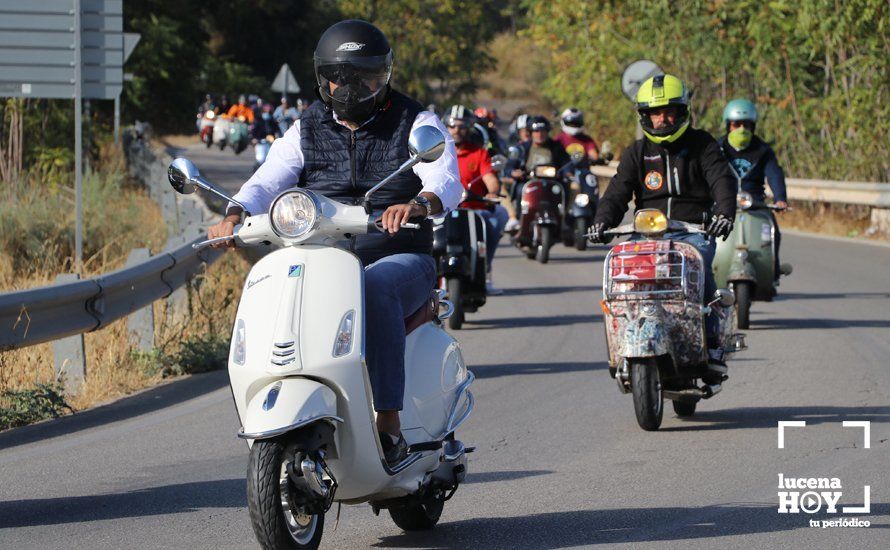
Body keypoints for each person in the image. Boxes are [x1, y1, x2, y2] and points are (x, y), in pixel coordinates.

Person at [207, 20, 461, 467]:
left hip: (398, 254)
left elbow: (445, 178)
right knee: (275, 283)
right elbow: (269, 179)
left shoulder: (415, 121)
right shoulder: (306, 127)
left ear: (383, 75)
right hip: (321, 254)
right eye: (340, 76)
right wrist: (234, 212)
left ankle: (389, 423)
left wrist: (418, 204)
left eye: (364, 76)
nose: (350, 87)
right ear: (323, 77)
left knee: (376, 287)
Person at [589, 74, 736, 369]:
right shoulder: (637, 152)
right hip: (645, 236)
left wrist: (724, 214)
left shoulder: (703, 145)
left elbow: (722, 180)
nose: (663, 119)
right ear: (645, 116)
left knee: (699, 267)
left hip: (692, 233)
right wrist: (602, 222)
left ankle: (712, 343)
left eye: (669, 111)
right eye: (655, 113)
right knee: (623, 279)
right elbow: (617, 192)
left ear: (683, 112)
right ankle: (621, 345)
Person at [718, 98, 788, 280]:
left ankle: (772, 269)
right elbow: (706, 172)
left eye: (746, 125)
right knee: (707, 235)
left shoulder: (763, 150)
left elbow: (774, 174)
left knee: (773, 232)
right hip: (723, 201)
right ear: (728, 126)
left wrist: (780, 198)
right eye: (736, 124)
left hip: (755, 202)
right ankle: (707, 272)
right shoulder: (718, 148)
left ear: (753, 126)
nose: (741, 129)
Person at [445, 105, 509, 295]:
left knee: (498, 217)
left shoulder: (479, 152)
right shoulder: (438, 152)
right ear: (446, 127)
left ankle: (484, 271)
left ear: (469, 128)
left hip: (475, 209)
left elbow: (490, 179)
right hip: (442, 209)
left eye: (462, 126)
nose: (457, 130)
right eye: (452, 126)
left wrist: (492, 192)